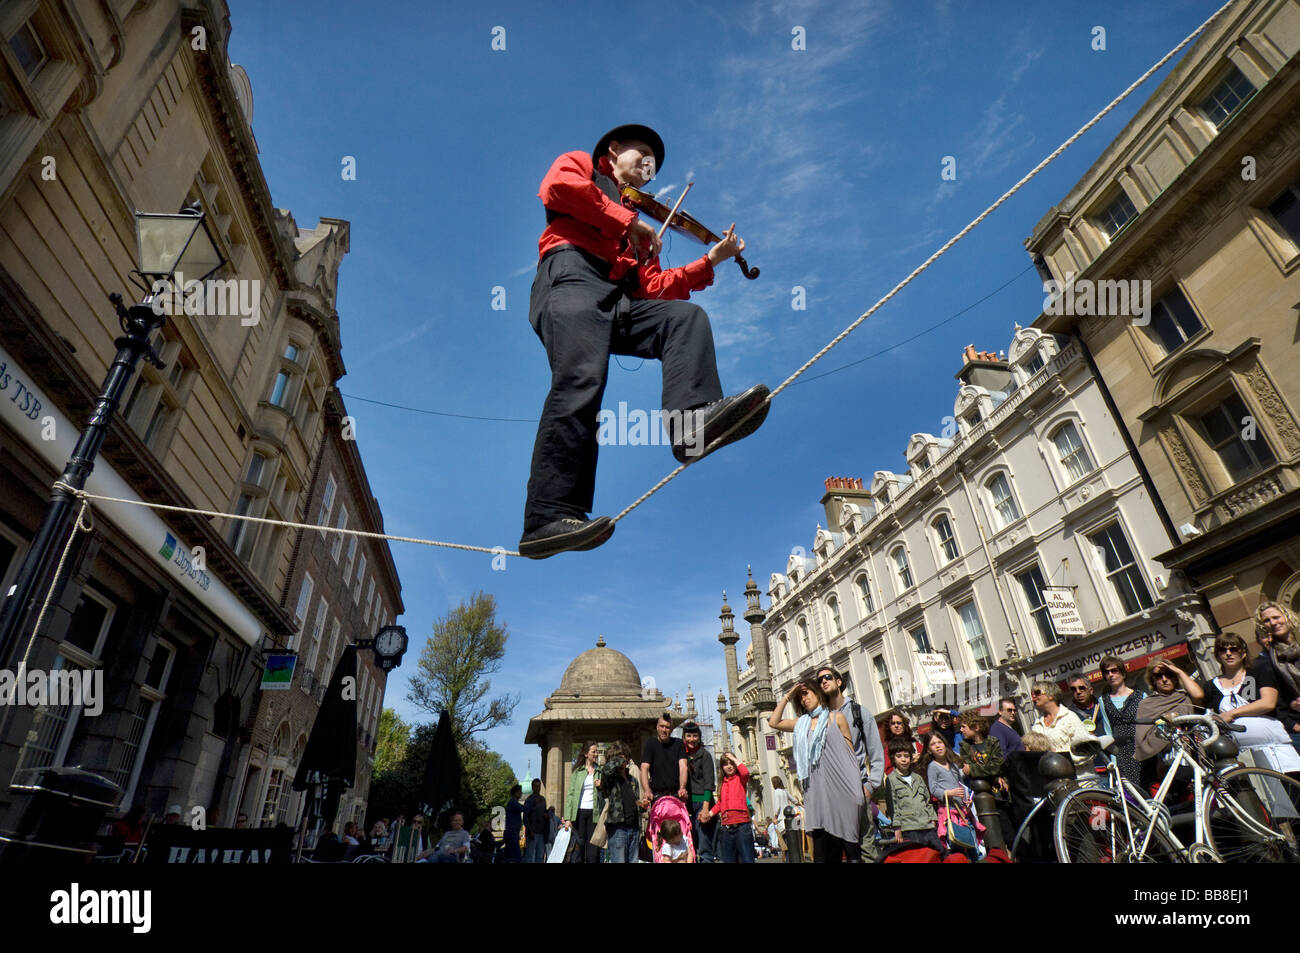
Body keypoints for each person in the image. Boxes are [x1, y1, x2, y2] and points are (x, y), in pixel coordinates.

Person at [519, 123, 770, 559]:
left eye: (652, 167)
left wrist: (709, 260)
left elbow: (653, 289)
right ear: (613, 151)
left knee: (683, 319)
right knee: (582, 381)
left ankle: (691, 424)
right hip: (571, 279)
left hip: (616, 302)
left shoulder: (637, 233)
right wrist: (625, 220)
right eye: (643, 156)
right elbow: (557, 188)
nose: (648, 168)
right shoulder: (583, 166)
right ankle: (547, 517)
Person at [768, 679, 862, 863]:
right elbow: (774, 722)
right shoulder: (801, 723)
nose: (803, 699)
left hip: (843, 789)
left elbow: (851, 754)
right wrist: (788, 696)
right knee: (821, 854)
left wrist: (857, 789)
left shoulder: (837, 717)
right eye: (800, 697)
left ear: (818, 693)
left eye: (806, 693)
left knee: (852, 852)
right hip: (817, 792)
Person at [1185, 632, 1300, 774]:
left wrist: (1232, 713)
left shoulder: (1256, 672)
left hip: (1276, 749)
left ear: (1243, 653)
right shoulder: (1211, 686)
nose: (1228, 654)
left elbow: (1268, 703)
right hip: (1243, 757)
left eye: (1234, 649)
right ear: (1217, 655)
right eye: (1223, 650)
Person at [814, 664, 885, 861]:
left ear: (839, 681)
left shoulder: (859, 712)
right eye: (820, 680)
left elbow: (876, 755)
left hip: (856, 791)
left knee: (866, 850)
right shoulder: (818, 718)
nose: (823, 681)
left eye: (827, 677)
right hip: (829, 797)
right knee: (832, 854)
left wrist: (870, 787)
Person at [876, 737, 942, 852]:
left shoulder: (918, 778)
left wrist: (933, 818)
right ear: (893, 758)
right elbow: (893, 805)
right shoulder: (891, 780)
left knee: (938, 853)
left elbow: (927, 800)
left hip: (927, 825)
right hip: (909, 827)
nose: (903, 760)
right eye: (899, 756)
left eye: (906, 756)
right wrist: (897, 828)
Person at [1025, 680, 1094, 780]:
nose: (1034, 697)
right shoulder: (1037, 725)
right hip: (1055, 783)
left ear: (1051, 695)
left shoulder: (1070, 717)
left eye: (1037, 693)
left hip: (1080, 780)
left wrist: (1059, 756)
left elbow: (1086, 751)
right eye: (1033, 694)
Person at [1255, 601, 1300, 750]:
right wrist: (1291, 706)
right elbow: (1276, 699)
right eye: (1267, 620)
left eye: (1276, 617)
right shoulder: (1267, 659)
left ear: (1286, 616)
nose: (1273, 623)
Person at [923, 731, 977, 856]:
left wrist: (967, 799)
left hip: (963, 812)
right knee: (956, 848)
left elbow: (961, 785)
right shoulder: (933, 767)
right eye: (933, 744)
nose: (937, 746)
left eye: (939, 742)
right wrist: (949, 793)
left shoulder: (953, 765)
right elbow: (934, 789)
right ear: (929, 750)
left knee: (971, 846)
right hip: (949, 813)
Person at [1098, 656, 1145, 784]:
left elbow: (1148, 726)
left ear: (1123, 673)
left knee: (1146, 788)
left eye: (1114, 671)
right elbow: (1108, 731)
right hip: (1121, 753)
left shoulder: (1140, 696)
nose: (1111, 675)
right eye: (1107, 672)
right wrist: (1113, 760)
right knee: (1129, 793)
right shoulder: (1103, 700)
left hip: (1141, 749)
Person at [601, 741, 642, 863]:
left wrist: (642, 805)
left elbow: (635, 801)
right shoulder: (611, 779)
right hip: (618, 829)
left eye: (623, 756)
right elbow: (606, 769)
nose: (621, 759)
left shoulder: (632, 780)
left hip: (634, 828)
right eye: (618, 756)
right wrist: (619, 759)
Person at [681, 722, 717, 863]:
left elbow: (709, 783)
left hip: (703, 803)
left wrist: (706, 808)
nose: (691, 739)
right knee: (690, 843)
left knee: (704, 845)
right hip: (687, 804)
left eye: (695, 736)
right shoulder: (682, 756)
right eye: (688, 736)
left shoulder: (705, 755)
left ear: (699, 737)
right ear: (684, 737)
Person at [564, 742, 604, 863]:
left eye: (596, 751)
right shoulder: (577, 772)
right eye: (593, 751)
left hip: (594, 814)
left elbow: (606, 793)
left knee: (593, 852)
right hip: (579, 813)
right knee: (578, 850)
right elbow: (570, 795)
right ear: (586, 754)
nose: (596, 754)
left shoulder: (600, 771)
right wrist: (568, 818)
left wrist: (601, 786)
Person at [713, 751, 754, 863]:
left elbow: (745, 772)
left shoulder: (740, 779)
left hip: (742, 826)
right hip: (726, 828)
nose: (729, 766)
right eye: (726, 764)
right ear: (722, 767)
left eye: (731, 763)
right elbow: (720, 804)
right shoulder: (722, 784)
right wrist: (709, 814)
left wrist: (735, 759)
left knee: (747, 859)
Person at [641, 713, 688, 806]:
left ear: (671, 729)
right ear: (657, 727)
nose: (664, 730)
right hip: (657, 794)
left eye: (667, 727)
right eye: (662, 726)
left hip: (675, 794)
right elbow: (644, 767)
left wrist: (682, 788)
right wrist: (647, 790)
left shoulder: (678, 744)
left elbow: (683, 767)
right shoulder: (651, 744)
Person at [522, 779, 548, 864]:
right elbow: (525, 817)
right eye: (536, 786)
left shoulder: (543, 799)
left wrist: (546, 815)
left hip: (541, 832)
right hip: (532, 833)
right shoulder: (529, 800)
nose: (538, 788)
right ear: (532, 787)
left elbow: (545, 812)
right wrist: (530, 831)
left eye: (539, 786)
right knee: (530, 856)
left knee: (540, 857)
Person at [503, 785, 524, 862]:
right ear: (515, 793)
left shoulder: (513, 802)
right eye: (520, 791)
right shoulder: (513, 803)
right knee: (516, 858)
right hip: (512, 834)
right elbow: (523, 808)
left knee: (509, 858)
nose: (521, 793)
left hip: (511, 834)